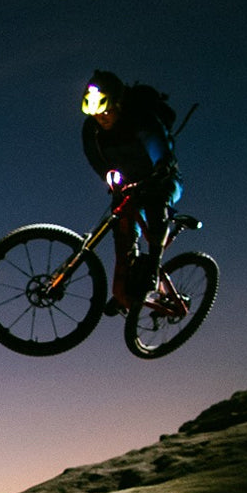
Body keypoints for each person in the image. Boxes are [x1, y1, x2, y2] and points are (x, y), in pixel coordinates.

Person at [80, 70, 181, 314]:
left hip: (160, 181)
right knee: (123, 235)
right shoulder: (91, 130)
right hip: (127, 187)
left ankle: (151, 272)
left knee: (156, 209)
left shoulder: (142, 120)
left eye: (106, 112)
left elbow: (161, 148)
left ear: (118, 104)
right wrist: (110, 178)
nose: (102, 119)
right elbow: (96, 159)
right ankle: (126, 289)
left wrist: (161, 169)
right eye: (96, 115)